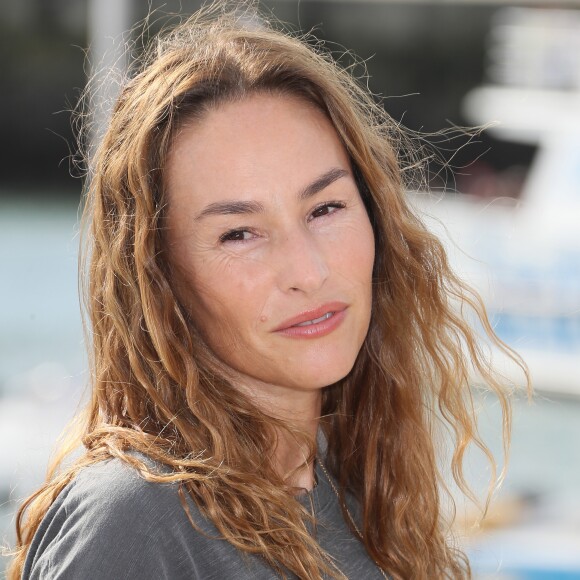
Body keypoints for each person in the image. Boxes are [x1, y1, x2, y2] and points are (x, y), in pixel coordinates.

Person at [8, 4, 528, 579]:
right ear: (159, 278)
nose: (308, 270)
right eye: (239, 233)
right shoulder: (135, 523)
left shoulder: (360, 498)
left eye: (326, 207)